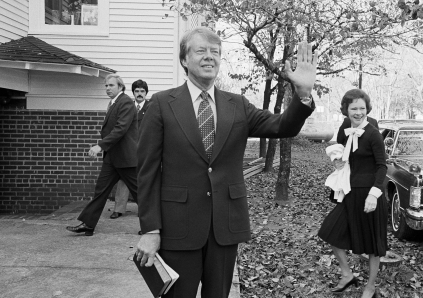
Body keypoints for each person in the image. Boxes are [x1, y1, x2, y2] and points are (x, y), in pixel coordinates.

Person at [134, 27, 317, 298]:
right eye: (201, 51)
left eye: (215, 52)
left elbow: (283, 126)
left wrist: (303, 94)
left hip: (225, 228)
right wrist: (150, 229)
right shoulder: (162, 104)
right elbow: (147, 173)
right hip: (178, 229)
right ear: (184, 59)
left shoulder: (238, 105)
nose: (210, 57)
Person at [318, 89, 387, 298]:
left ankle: (370, 286)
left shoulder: (373, 133)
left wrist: (374, 195)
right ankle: (347, 274)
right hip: (349, 192)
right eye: (354, 108)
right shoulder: (345, 128)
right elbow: (340, 151)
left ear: (367, 109)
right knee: (330, 231)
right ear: (346, 110)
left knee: (373, 245)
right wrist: (337, 160)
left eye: (362, 108)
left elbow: (382, 167)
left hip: (370, 194)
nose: (358, 112)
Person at [66, 74, 138, 236]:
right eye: (106, 86)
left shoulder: (125, 102)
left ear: (120, 87)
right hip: (112, 158)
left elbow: (120, 128)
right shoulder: (113, 103)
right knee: (100, 191)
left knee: (140, 193)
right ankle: (88, 224)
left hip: (126, 158)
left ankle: (154, 227)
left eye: (111, 85)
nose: (107, 88)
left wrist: (100, 145)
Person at [110, 79, 151, 219]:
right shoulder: (127, 106)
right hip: (129, 149)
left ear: (146, 93)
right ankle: (119, 208)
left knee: (145, 179)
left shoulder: (151, 107)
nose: (139, 94)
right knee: (124, 179)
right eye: (137, 91)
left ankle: (144, 210)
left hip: (146, 149)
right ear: (133, 93)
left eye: (142, 91)